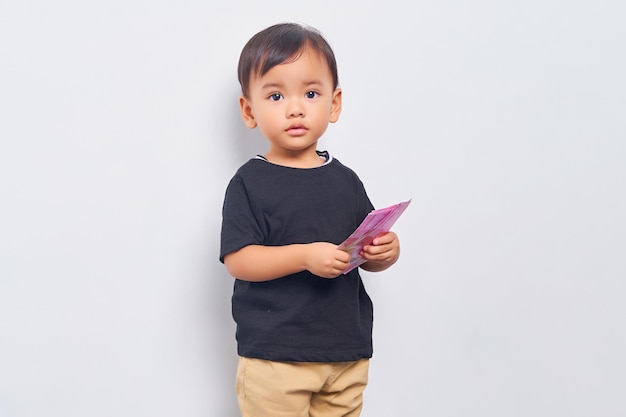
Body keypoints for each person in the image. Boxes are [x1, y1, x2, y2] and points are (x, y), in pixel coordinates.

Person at [219, 22, 401, 417]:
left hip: (345, 351)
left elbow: (363, 250)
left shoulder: (345, 180)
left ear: (334, 104)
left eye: (311, 93)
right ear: (249, 110)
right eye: (277, 94)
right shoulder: (250, 181)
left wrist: (383, 252)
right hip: (276, 356)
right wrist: (303, 257)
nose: (296, 107)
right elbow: (239, 260)